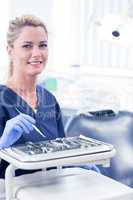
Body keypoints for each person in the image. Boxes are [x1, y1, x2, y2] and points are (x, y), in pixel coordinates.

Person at [0, 15, 99, 178]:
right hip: (12, 191)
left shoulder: (49, 100)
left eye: (43, 45)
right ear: (10, 51)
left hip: (53, 187)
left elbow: (58, 152)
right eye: (27, 46)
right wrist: (2, 144)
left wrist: (79, 161)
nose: (37, 53)